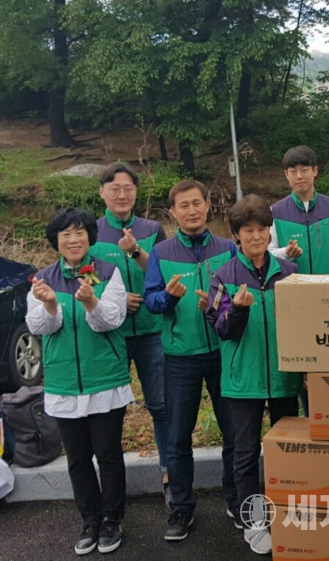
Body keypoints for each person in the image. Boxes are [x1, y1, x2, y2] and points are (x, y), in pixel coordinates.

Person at [26, 208, 131, 555]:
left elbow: (111, 320)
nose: (74, 240)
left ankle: (113, 520)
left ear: (90, 236)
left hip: (104, 379)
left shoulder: (107, 272)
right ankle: (90, 521)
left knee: (108, 454)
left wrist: (91, 302)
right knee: (77, 458)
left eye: (80, 232)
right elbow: (38, 327)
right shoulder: (43, 279)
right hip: (64, 383)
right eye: (66, 235)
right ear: (56, 241)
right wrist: (50, 305)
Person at [207, 194, 302, 556]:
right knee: (245, 453)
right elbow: (220, 329)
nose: (256, 236)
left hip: (284, 378)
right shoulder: (224, 276)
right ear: (236, 235)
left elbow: (303, 322)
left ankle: (288, 513)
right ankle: (254, 521)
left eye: (262, 228)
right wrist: (238, 310)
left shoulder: (289, 273)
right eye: (248, 230)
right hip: (242, 381)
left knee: (288, 453)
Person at [143, 180, 238, 542]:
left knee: (233, 432)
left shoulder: (228, 248)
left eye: (197, 203)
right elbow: (151, 301)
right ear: (173, 212)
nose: (191, 211)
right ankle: (181, 507)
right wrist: (168, 297)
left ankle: (235, 498)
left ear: (208, 205)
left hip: (222, 352)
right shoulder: (161, 253)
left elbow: (237, 295)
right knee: (178, 437)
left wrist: (217, 307)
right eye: (183, 205)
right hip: (180, 357)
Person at [92, 162, 171, 510]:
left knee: (162, 406)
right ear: (102, 193)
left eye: (128, 188)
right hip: (111, 335)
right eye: (114, 188)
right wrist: (115, 298)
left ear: (136, 193)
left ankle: (169, 476)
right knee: (109, 412)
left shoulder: (152, 229)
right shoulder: (91, 233)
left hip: (153, 332)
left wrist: (135, 250)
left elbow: (163, 272)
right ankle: (113, 489)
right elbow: (83, 275)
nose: (122, 194)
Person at [270, 145, 329, 415]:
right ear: (286, 175)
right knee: (305, 363)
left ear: (315, 171)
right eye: (293, 171)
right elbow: (268, 251)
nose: (299, 176)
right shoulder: (275, 212)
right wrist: (286, 253)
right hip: (296, 303)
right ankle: (311, 419)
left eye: (305, 169)